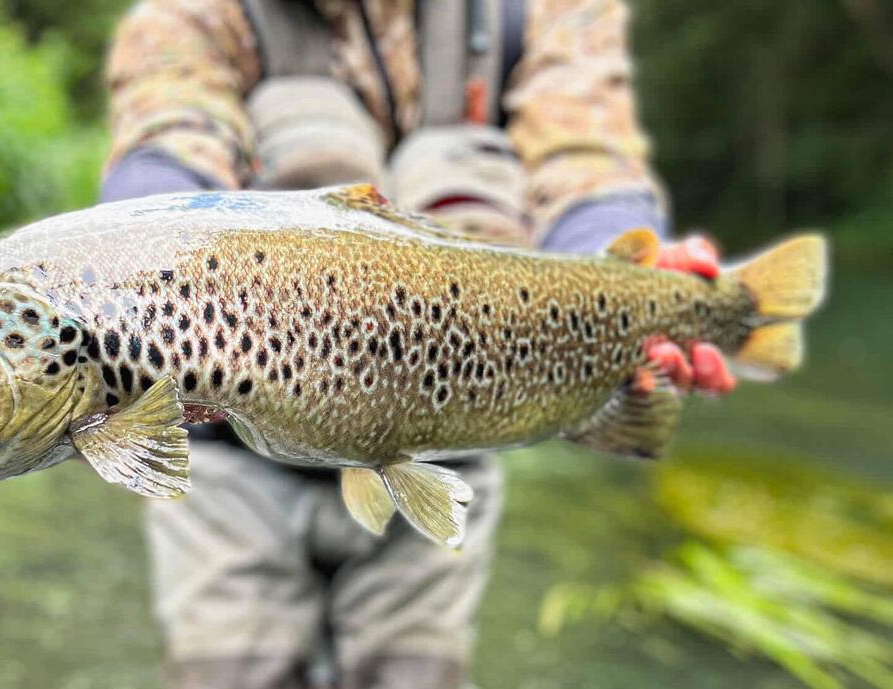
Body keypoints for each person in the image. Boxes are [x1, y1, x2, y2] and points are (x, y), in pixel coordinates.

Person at [98, 1, 735, 687]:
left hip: (443, 447)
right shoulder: (196, 12)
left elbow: (584, 158)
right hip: (225, 460)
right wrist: (131, 257)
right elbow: (169, 135)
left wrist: (617, 278)